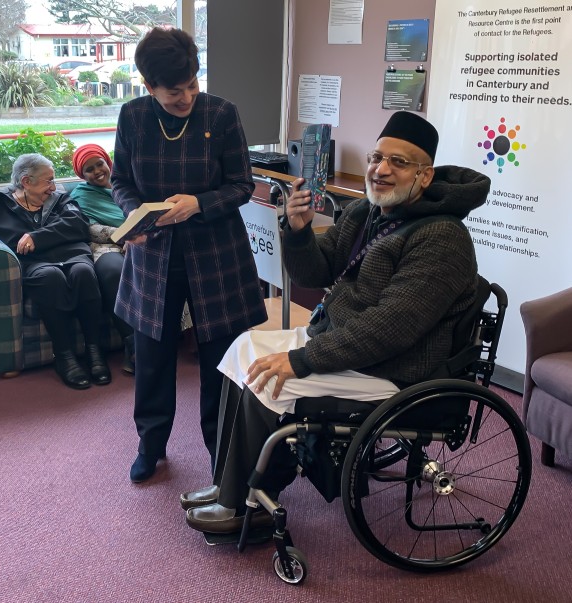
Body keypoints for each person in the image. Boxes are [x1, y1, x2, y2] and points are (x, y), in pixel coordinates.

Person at [181, 111, 493, 533]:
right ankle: (228, 484)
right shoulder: (366, 212)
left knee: (269, 380)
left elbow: (391, 328)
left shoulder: (442, 238)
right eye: (377, 157)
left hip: (396, 369)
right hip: (343, 339)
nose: (380, 170)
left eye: (398, 163)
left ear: (424, 176)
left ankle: (244, 507)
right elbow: (315, 273)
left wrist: (305, 358)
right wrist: (297, 230)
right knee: (242, 350)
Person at [111, 27, 267, 483]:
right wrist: (133, 215)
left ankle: (221, 450)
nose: (187, 97)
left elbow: (242, 185)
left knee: (220, 358)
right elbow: (121, 181)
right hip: (152, 252)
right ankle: (150, 444)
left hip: (217, 254)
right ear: (148, 85)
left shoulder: (221, 114)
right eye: (174, 91)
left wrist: (198, 203)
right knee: (152, 357)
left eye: (193, 85)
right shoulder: (134, 116)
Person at [0, 153, 111, 390]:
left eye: (53, 181)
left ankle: (95, 353)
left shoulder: (59, 197)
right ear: (26, 182)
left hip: (71, 253)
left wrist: (36, 237)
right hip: (34, 263)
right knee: (50, 277)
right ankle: (64, 357)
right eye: (48, 181)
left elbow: (76, 223)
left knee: (83, 272)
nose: (53, 186)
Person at [69, 143, 135, 374]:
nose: (97, 171)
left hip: (143, 241)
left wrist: (137, 238)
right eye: (89, 169)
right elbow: (88, 228)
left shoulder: (129, 184)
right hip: (105, 246)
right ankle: (133, 344)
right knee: (114, 272)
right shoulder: (81, 195)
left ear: (108, 162)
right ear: (82, 175)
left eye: (100, 164)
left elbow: (147, 212)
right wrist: (123, 237)